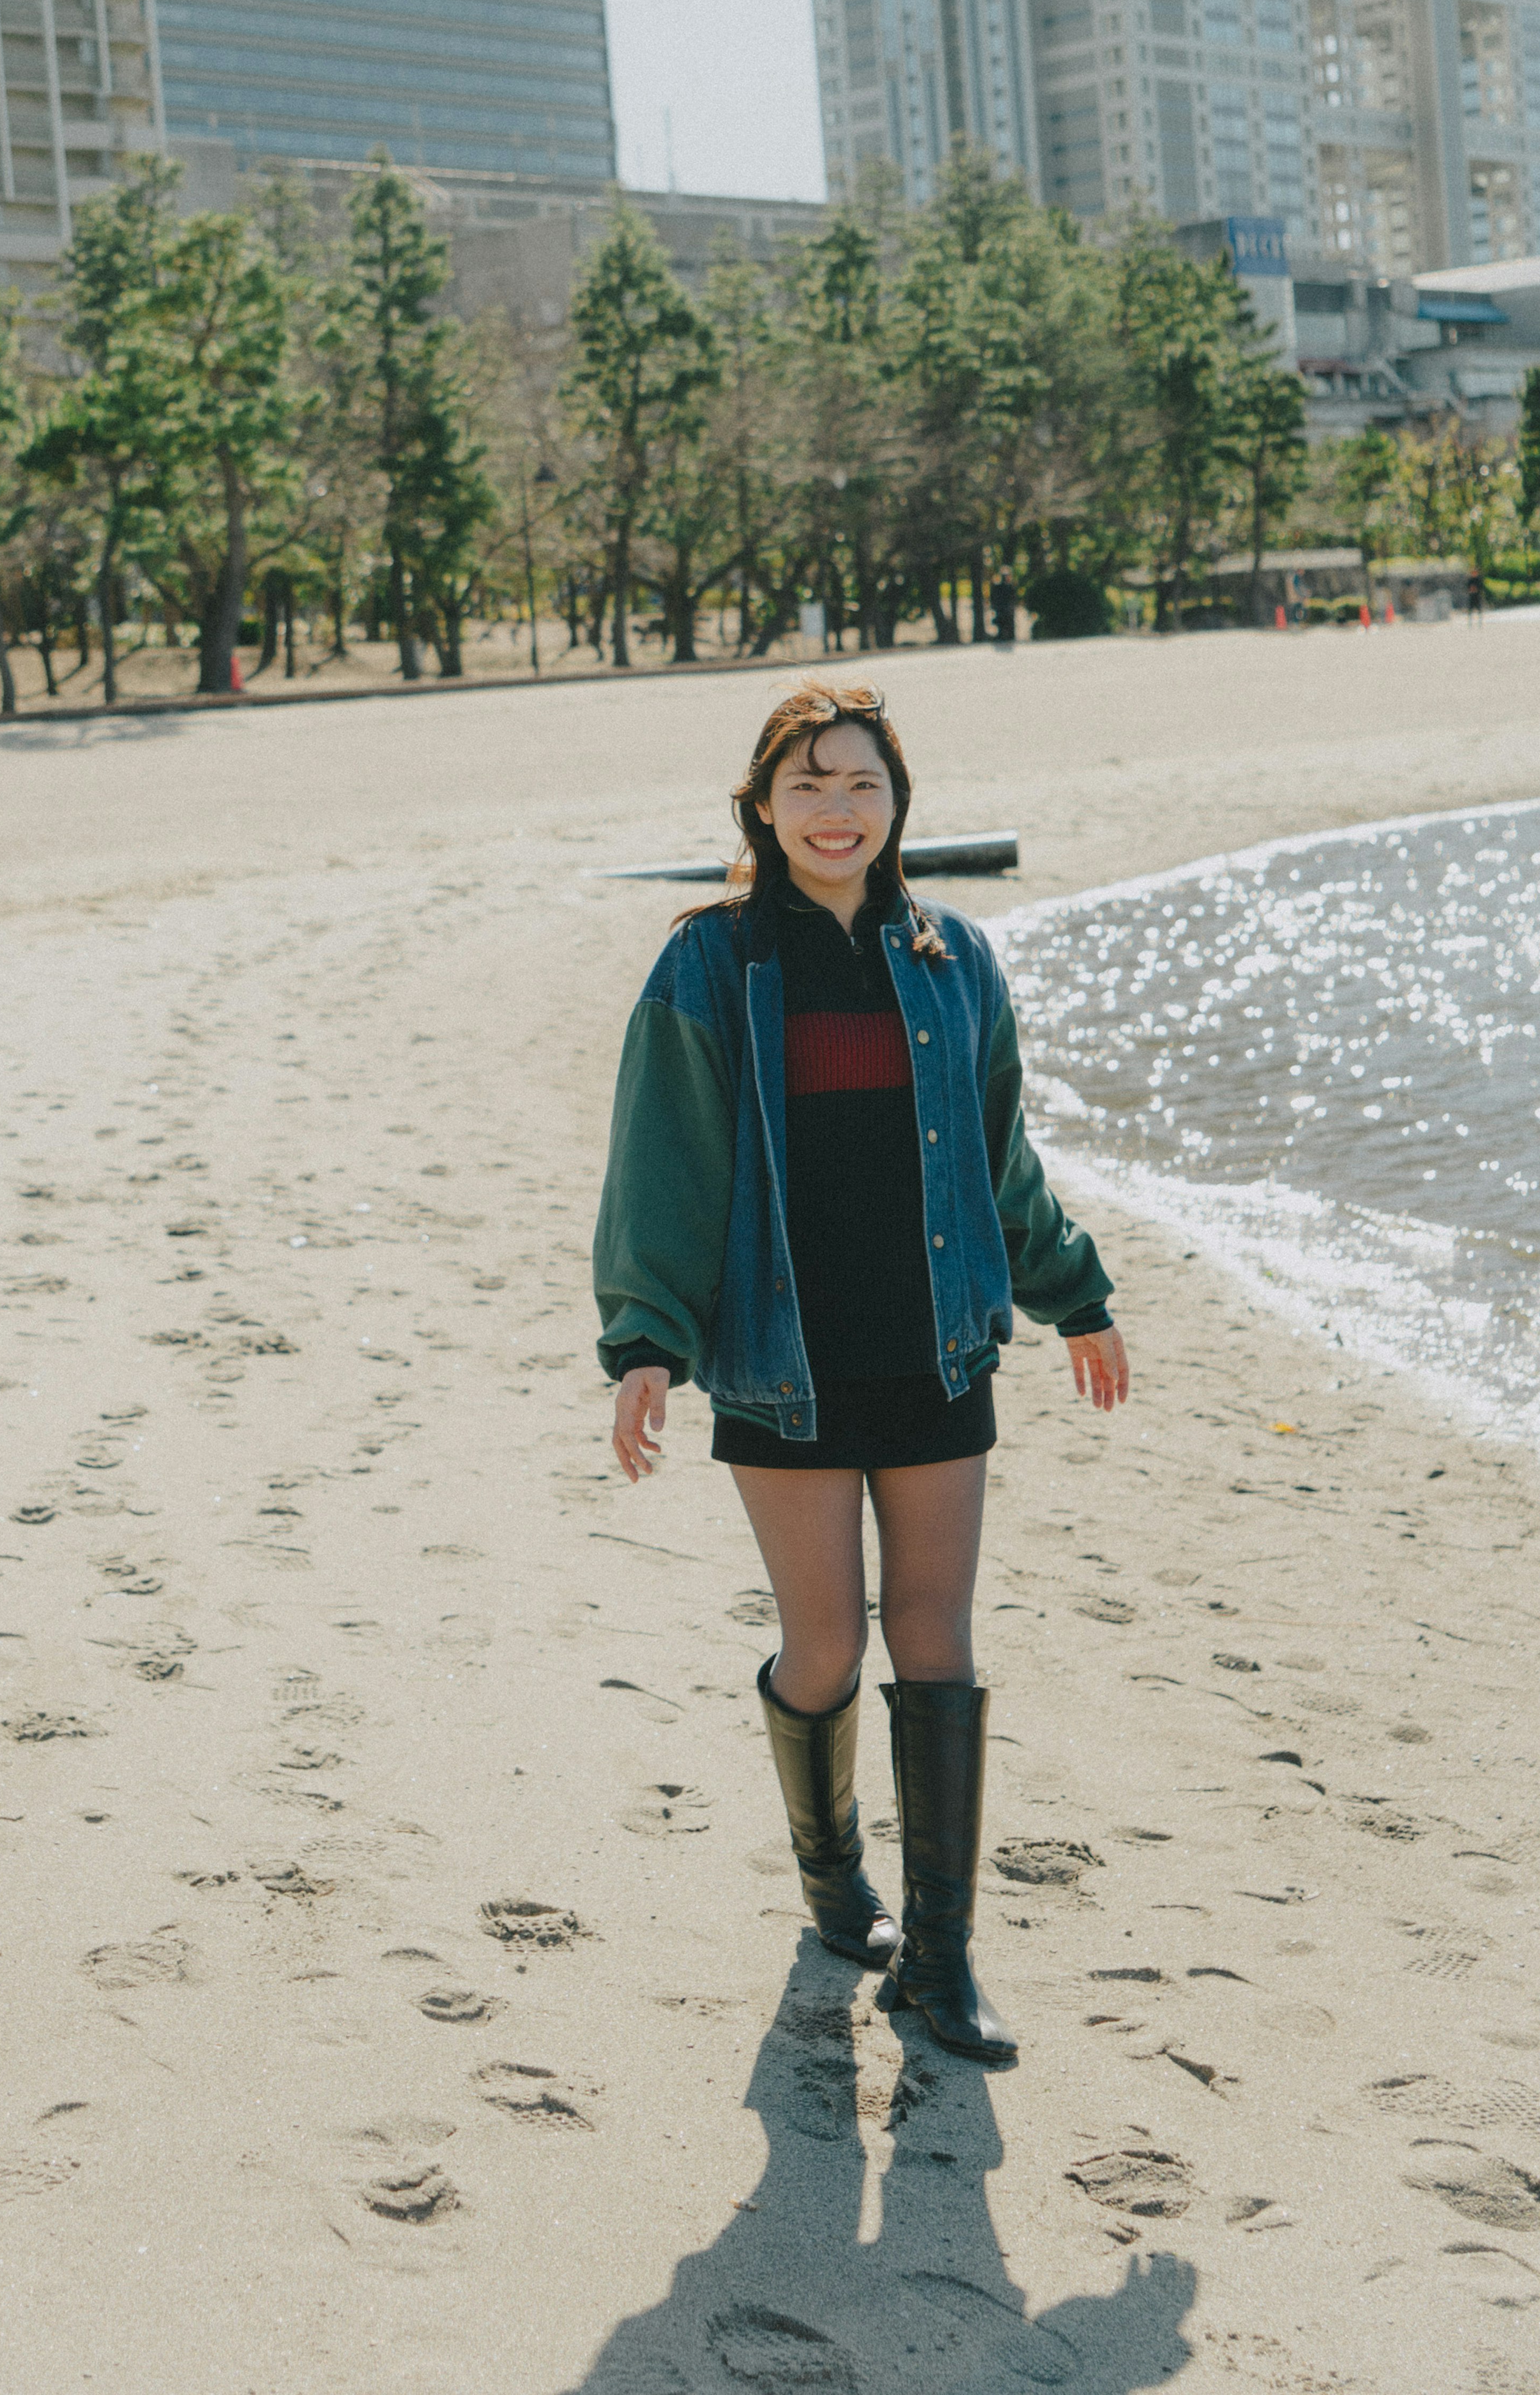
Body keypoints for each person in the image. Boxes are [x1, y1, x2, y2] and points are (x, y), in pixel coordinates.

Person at [592, 681, 1129, 2064]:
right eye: (810, 784)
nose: (838, 811)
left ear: (899, 807)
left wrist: (1074, 1294)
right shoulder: (707, 968)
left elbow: (1001, 1159)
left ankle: (941, 1965)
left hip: (938, 1347)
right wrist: (645, 1343)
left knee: (937, 1637)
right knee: (826, 1646)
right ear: (763, 809)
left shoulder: (954, 960)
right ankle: (837, 1885)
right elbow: (663, 1168)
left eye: (863, 785)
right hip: (787, 1370)